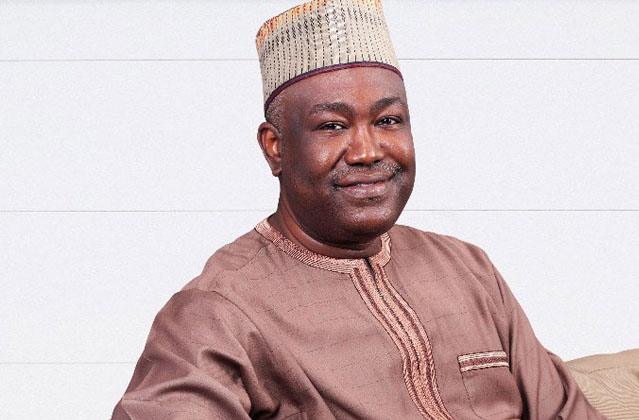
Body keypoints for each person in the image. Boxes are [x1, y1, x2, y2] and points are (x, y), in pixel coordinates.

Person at [112, 0, 606, 419]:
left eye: (388, 120)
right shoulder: (216, 312)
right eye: (332, 126)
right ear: (275, 148)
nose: (368, 151)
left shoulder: (467, 269)